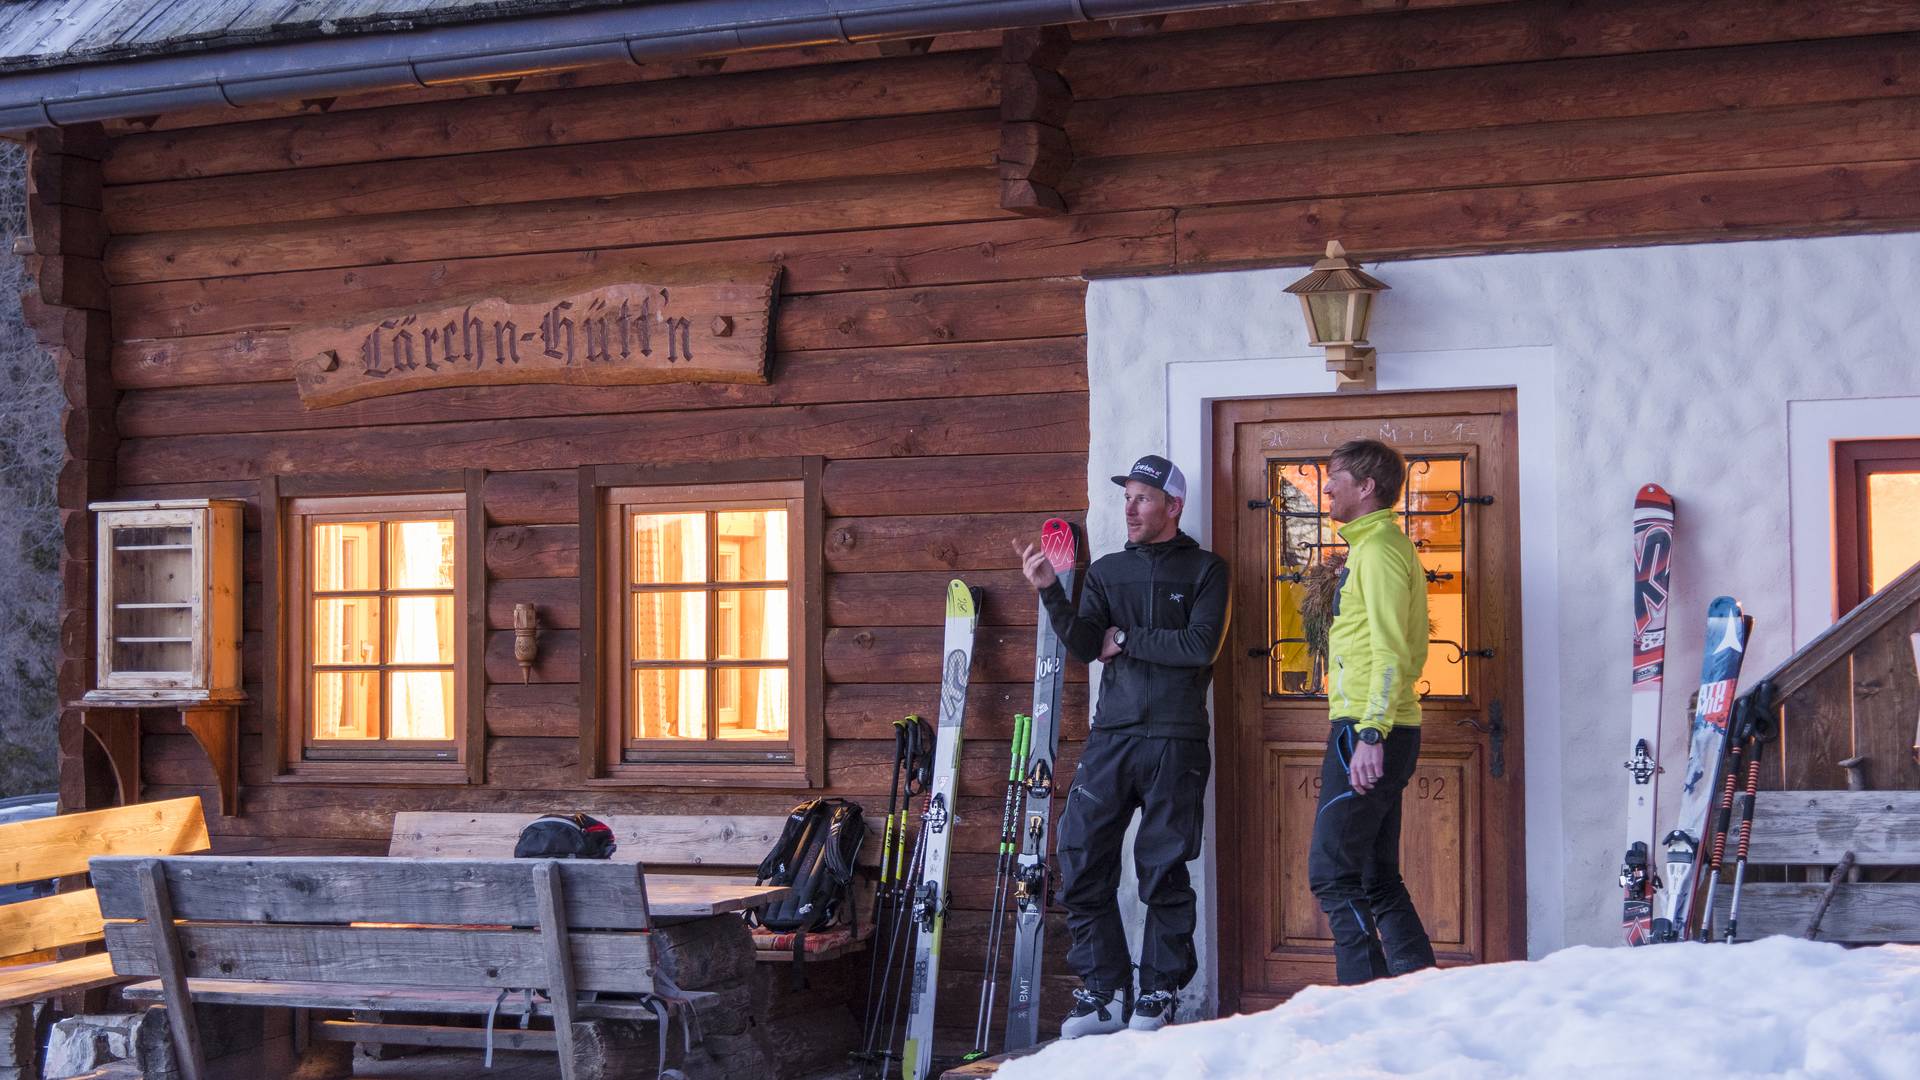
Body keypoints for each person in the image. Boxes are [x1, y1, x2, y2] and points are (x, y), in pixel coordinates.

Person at [1013, 454, 1229, 1036]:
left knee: (1161, 868)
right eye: (1126, 497)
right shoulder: (1108, 571)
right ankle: (1104, 991)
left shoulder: (1208, 571)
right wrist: (1051, 593)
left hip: (1176, 742)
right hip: (1113, 737)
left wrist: (1128, 637)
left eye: (1142, 498)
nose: (1129, 509)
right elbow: (1086, 644)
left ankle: (1158, 991)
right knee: (1079, 854)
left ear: (1173, 506)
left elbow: (1199, 646)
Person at [1308, 438, 1438, 985]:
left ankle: (1364, 1000)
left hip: (1369, 728)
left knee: (1332, 874)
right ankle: (1416, 990)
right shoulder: (1372, 547)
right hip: (1374, 725)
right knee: (1374, 875)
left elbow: (1390, 649)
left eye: (1336, 477)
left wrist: (1370, 732)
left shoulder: (1380, 550)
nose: (1327, 486)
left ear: (1367, 487)